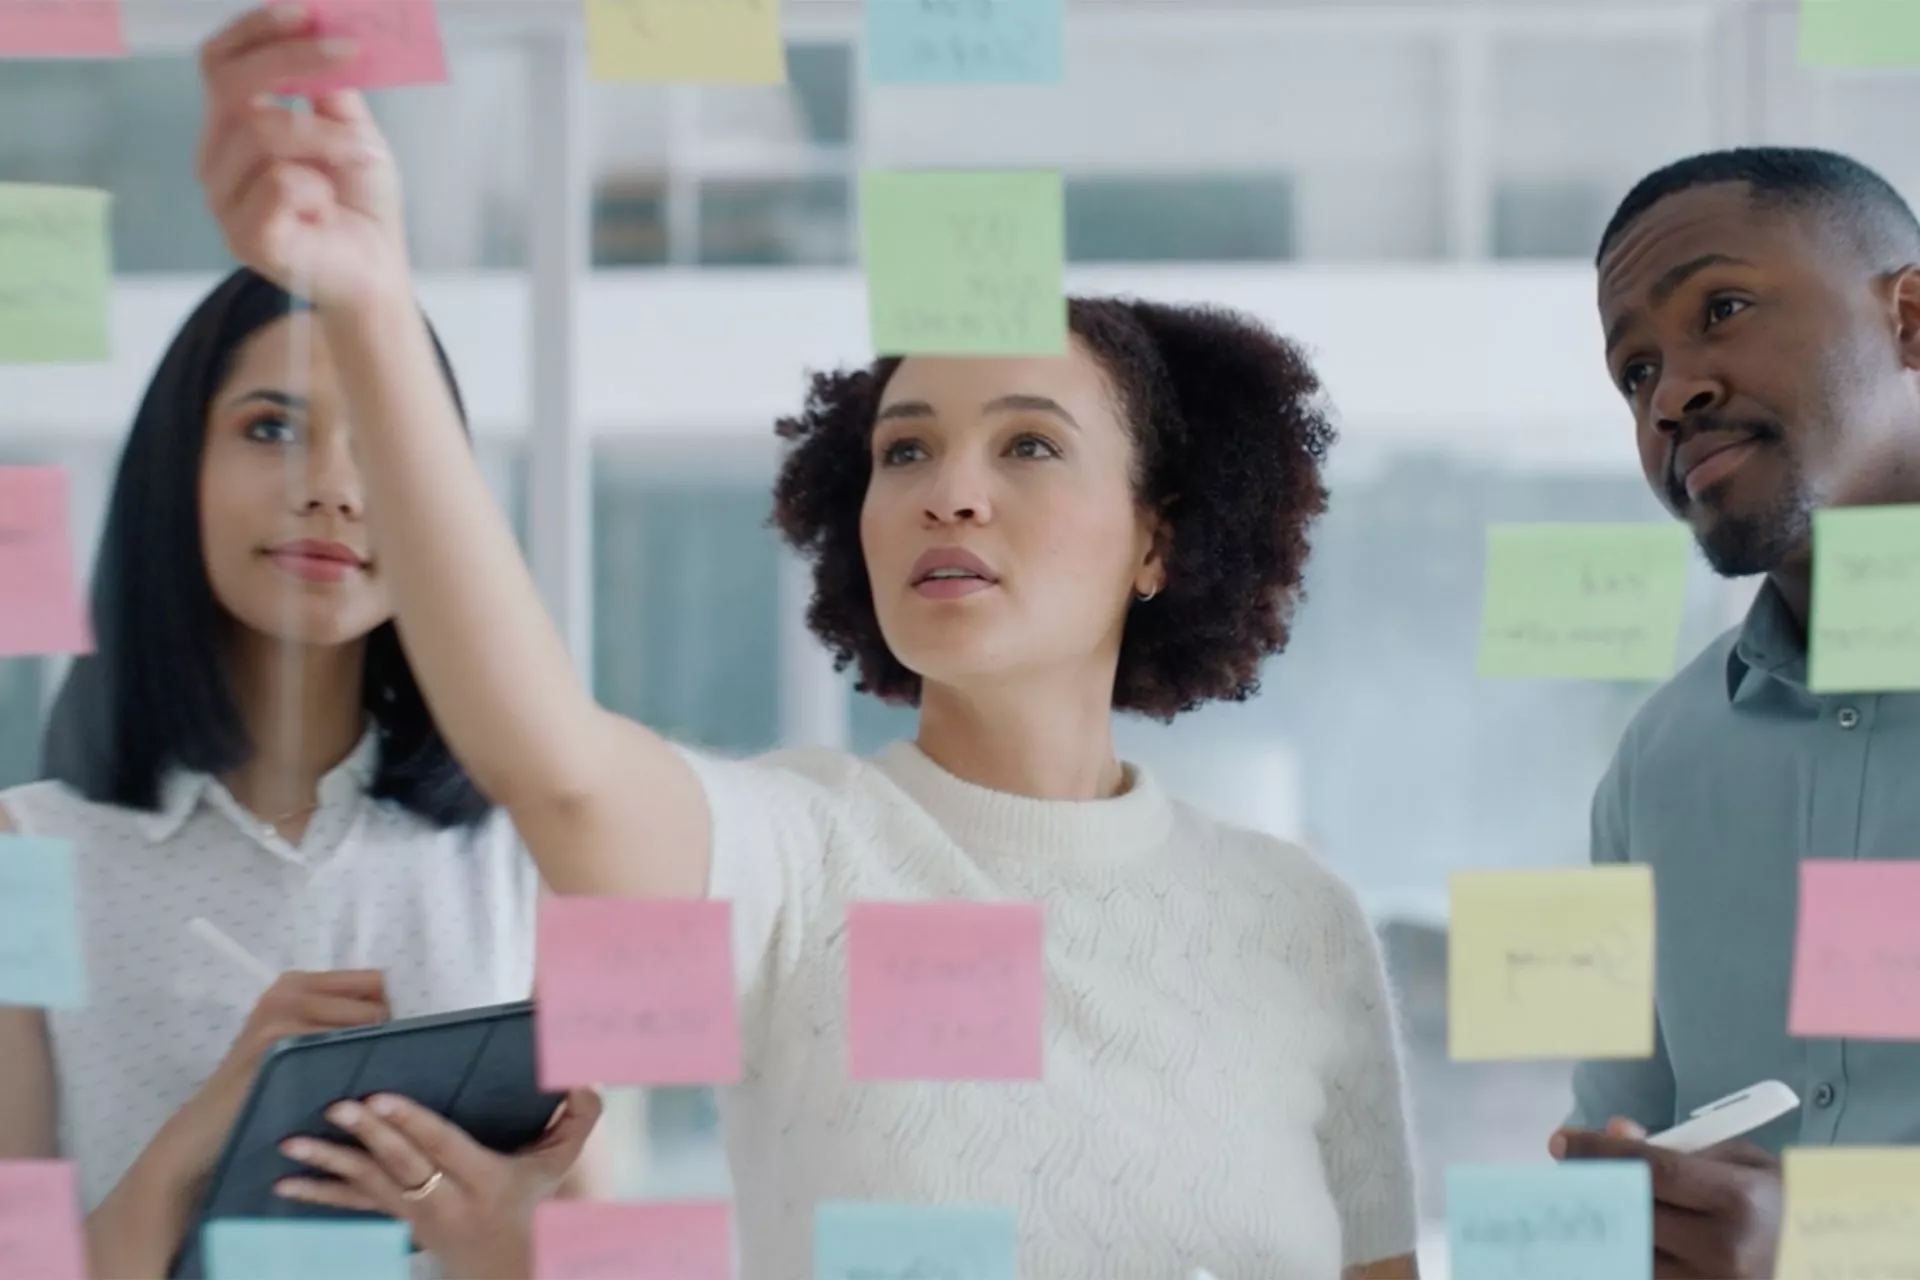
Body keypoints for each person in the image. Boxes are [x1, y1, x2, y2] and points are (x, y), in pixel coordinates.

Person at [189, 8, 1424, 1278]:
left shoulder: (1301, 918)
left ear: (1160, 539)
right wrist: (371, 304)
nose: (950, 489)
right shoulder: (801, 852)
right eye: (905, 449)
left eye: (1029, 444)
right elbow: (551, 761)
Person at [0, 266, 601, 1280]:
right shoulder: (33, 853)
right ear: (175, 466)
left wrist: (494, 1232)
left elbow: (586, 1245)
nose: (330, 484)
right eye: (271, 427)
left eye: (380, 441)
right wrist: (212, 1127)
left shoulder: (525, 846)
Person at [1549, 146, 1920, 1278]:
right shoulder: (1661, 761)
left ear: (1911, 319)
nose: (1673, 395)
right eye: (1633, 372)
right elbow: (1620, 1171)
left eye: (1723, 308)